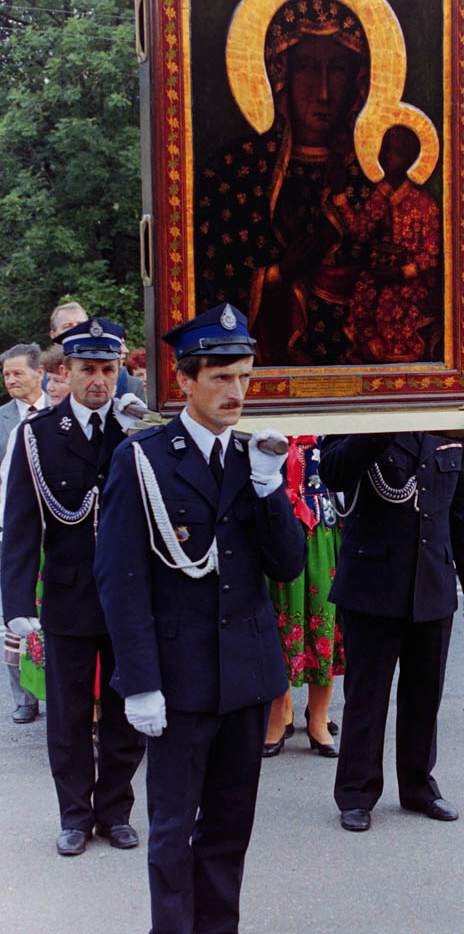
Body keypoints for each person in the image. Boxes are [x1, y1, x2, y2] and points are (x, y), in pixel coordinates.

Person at [94, 303, 307, 934]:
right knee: (170, 830)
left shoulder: (254, 457)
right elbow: (122, 579)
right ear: (185, 381)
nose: (236, 391)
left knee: (229, 829)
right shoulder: (144, 459)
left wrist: (270, 489)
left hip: (247, 677)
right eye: (221, 378)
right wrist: (140, 682)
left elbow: (288, 566)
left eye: (244, 377)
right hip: (178, 680)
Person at [0, 319, 146, 855]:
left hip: (131, 596)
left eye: (108, 369)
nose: (99, 381)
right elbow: (21, 525)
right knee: (67, 715)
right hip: (68, 595)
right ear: (66, 371)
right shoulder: (38, 434)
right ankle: (75, 816)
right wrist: (16, 603)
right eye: (88, 369)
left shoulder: (137, 430)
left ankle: (115, 811)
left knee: (126, 710)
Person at [319, 429, 464, 832]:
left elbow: (462, 506)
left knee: (424, 695)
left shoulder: (446, 427)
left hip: (431, 580)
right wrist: (381, 427)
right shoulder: (363, 420)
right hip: (372, 582)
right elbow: (334, 473)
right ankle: (356, 792)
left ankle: (418, 787)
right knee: (367, 696)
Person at [195, 0, 374, 366]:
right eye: (306, 67)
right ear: (280, 75)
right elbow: (211, 282)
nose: (323, 91)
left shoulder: (369, 177)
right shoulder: (235, 171)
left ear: (357, 79)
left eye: (338, 69)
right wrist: (279, 273)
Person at [263, 435, 344, 758]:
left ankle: (318, 716)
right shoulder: (265, 430)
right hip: (275, 526)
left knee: (324, 620)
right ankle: (279, 713)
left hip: (322, 526)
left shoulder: (330, 432)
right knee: (276, 622)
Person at [343, 124, 442, 362]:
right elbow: (360, 231)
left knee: (394, 310)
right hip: (376, 276)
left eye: (396, 152)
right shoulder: (378, 195)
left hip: (408, 283)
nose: (388, 157)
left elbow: (431, 253)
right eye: (385, 150)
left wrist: (401, 272)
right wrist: (339, 198)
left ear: (409, 159)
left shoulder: (424, 202)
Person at [0, 342, 50, 723]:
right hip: (10, 526)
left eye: (18, 372)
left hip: (55, 529)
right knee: (14, 612)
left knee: (49, 612)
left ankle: (58, 690)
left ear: (40, 373)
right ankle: (24, 699)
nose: (11, 380)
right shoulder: (2, 420)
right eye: (6, 374)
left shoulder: (57, 412)